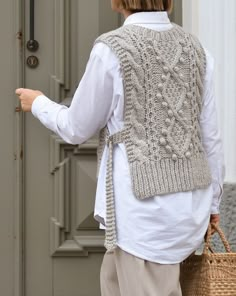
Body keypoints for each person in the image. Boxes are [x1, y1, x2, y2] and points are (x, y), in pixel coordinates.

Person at [16, 0, 225, 295]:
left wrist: (38, 103)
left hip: (144, 216)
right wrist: (213, 203)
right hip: (188, 211)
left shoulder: (113, 50)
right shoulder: (197, 50)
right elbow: (211, 138)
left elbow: (77, 127)